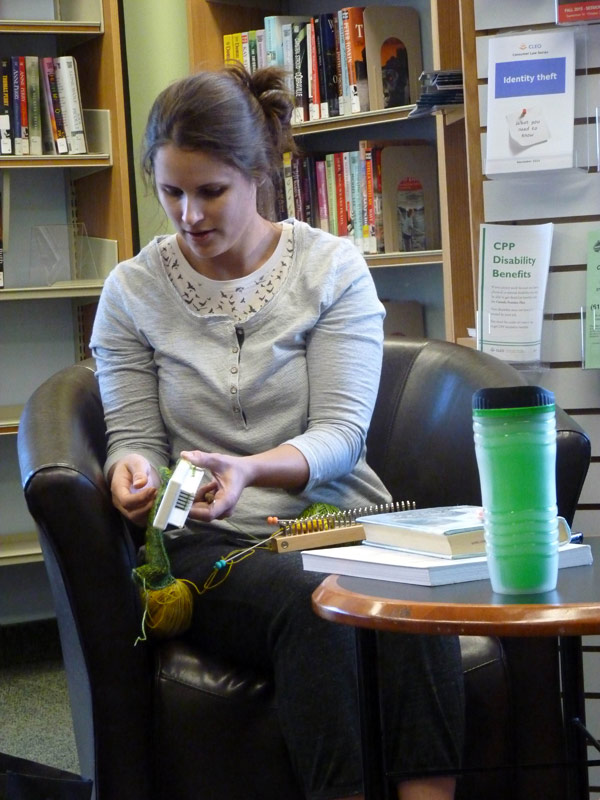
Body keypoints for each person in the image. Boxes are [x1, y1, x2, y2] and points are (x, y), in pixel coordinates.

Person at [90, 63, 464, 800]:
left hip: (342, 520)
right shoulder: (131, 291)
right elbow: (130, 434)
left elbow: (341, 434)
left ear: (258, 172)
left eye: (210, 192)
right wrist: (127, 472)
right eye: (171, 193)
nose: (189, 215)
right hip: (211, 542)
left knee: (414, 587)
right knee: (314, 600)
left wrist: (251, 469)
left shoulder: (331, 268)